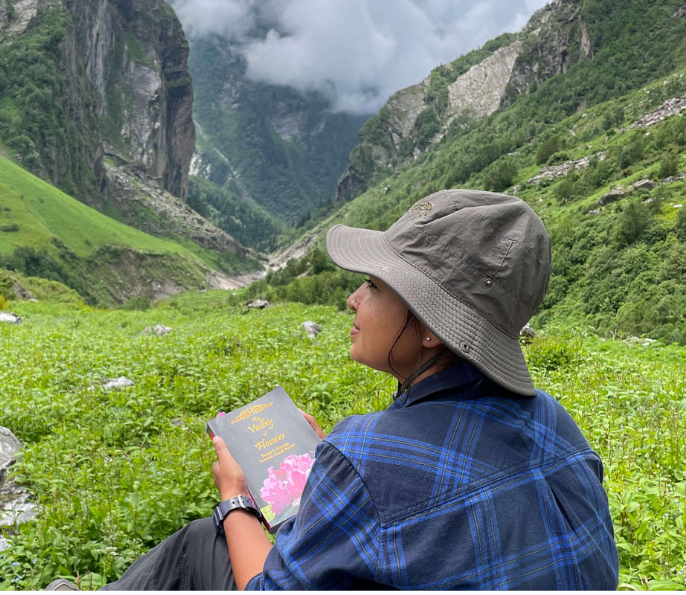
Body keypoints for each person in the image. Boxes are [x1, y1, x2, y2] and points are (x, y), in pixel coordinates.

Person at [47, 189, 619, 591]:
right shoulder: (556, 423)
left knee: (204, 540)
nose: (353, 299)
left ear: (430, 328)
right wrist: (329, 476)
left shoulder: (367, 453)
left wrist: (236, 498)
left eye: (373, 285)